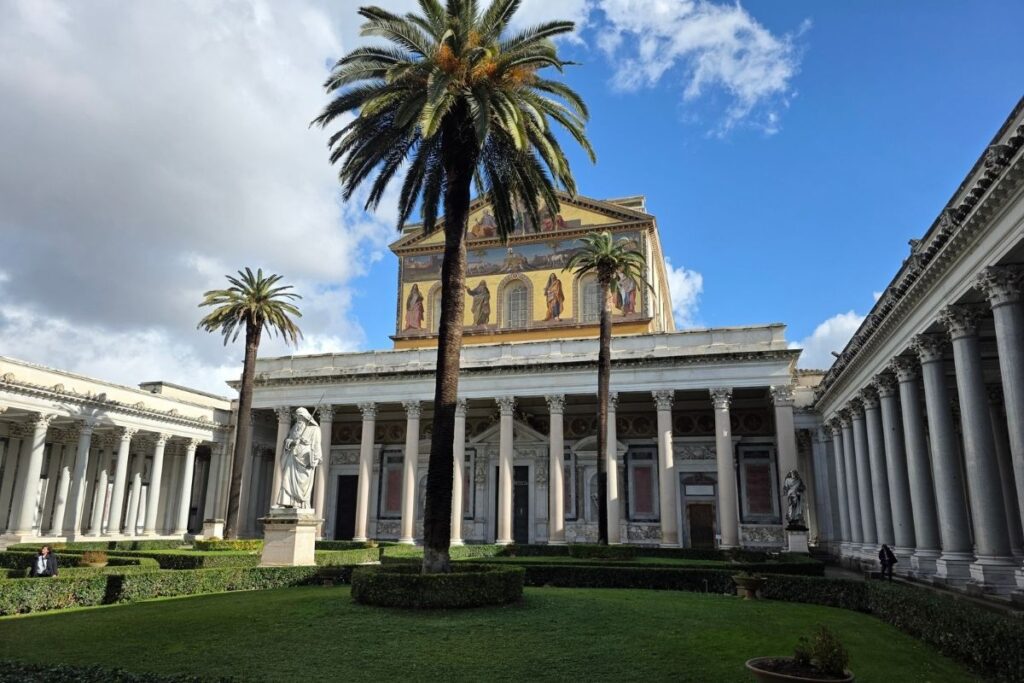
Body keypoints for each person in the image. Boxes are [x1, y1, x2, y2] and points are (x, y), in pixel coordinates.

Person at [276, 407, 322, 508]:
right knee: (287, 478)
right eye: (297, 417)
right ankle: (287, 501)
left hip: (304, 460)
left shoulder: (314, 429)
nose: (298, 419)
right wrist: (292, 442)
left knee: (303, 484)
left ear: (305, 417)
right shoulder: (294, 428)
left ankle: (301, 503)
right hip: (292, 457)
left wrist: (316, 457)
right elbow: (286, 441)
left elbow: (317, 445)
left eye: (300, 416)